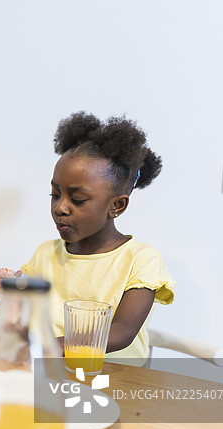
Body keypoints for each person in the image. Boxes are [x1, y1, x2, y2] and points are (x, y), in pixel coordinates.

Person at [21, 111, 176, 365]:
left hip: (117, 380)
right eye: (55, 194)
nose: (61, 207)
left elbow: (122, 331)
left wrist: (53, 346)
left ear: (117, 205)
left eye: (77, 199)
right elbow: (27, 315)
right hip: (53, 373)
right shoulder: (44, 254)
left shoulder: (141, 260)